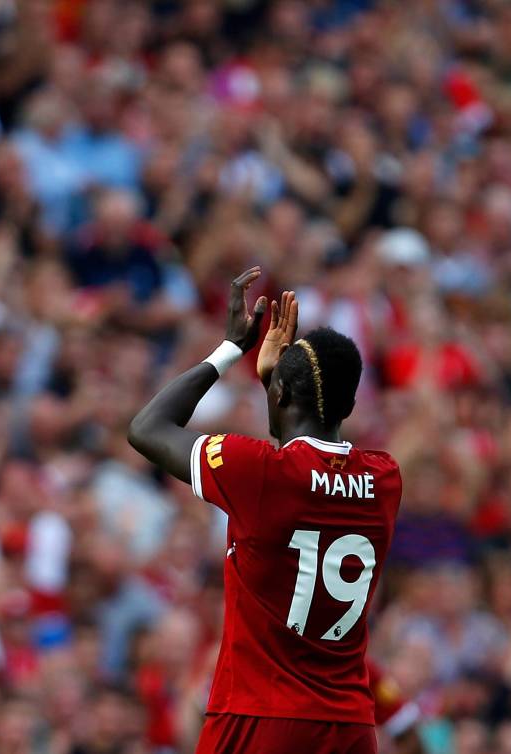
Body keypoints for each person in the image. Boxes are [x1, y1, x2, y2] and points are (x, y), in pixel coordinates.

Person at [128, 267, 402, 753]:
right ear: (351, 404)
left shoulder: (256, 473)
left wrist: (232, 347)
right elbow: (308, 461)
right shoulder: (384, 479)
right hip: (349, 724)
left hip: (258, 716)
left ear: (279, 394)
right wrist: (281, 389)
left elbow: (148, 428)